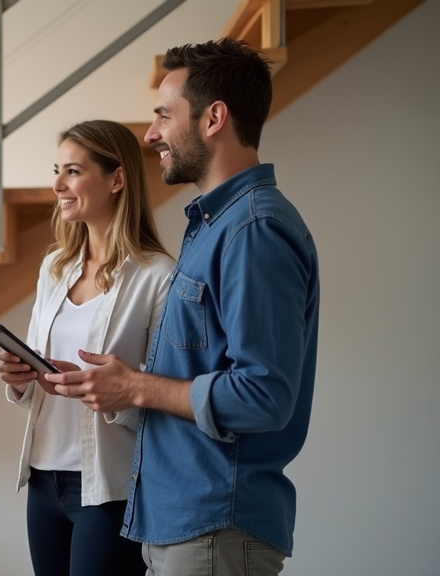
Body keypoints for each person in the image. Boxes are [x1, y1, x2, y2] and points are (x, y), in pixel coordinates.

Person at [42, 39, 321, 576]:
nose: (150, 135)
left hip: (214, 525)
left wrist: (136, 387)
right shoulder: (213, 227)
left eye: (163, 116)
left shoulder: (254, 230)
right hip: (181, 523)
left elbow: (264, 395)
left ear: (214, 117)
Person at [0, 119, 175, 576]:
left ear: (117, 179)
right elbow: (40, 375)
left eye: (73, 171)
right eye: (57, 170)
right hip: (42, 478)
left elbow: (168, 397)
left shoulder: (158, 275)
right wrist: (21, 380)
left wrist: (113, 395)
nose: (58, 184)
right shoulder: (55, 267)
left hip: (109, 487)